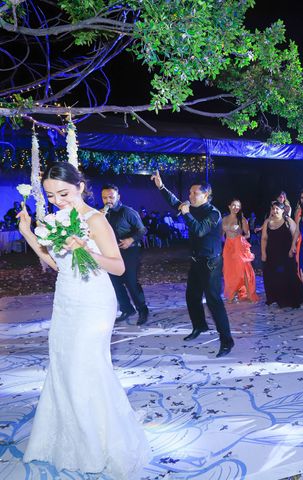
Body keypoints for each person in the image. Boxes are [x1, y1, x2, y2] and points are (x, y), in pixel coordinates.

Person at [18, 162, 150, 478]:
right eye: (51, 195)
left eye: (63, 193)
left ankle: (97, 443)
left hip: (93, 302)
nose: (58, 200)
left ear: (80, 186)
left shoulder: (96, 219)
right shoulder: (56, 219)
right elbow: (54, 263)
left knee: (85, 366)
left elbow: (118, 267)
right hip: (66, 299)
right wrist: (27, 232)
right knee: (63, 365)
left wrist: (83, 249)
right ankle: (70, 439)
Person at [151, 171, 234, 356]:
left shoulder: (214, 213)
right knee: (192, 296)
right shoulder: (191, 207)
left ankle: (227, 340)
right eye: (189, 193)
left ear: (206, 195)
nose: (190, 196)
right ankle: (200, 326)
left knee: (214, 301)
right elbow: (175, 202)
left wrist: (187, 213)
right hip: (196, 261)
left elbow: (199, 230)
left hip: (211, 263)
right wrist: (161, 187)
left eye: (194, 193)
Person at [101, 184, 150, 325]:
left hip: (130, 250)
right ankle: (127, 309)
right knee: (115, 282)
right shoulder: (102, 214)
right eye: (105, 197)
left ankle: (142, 310)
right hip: (112, 252)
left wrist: (131, 239)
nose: (108, 200)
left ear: (118, 197)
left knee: (131, 281)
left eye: (111, 197)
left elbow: (142, 230)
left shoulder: (128, 212)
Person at [261, 201, 303, 308]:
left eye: (277, 209)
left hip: (286, 254)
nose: (274, 211)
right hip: (271, 254)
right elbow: (264, 238)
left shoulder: (287, 221)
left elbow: (296, 236)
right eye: (273, 208)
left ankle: (287, 299)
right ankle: (274, 298)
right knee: (272, 276)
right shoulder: (267, 222)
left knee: (286, 276)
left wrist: (292, 249)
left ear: (282, 210)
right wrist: (263, 253)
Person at [222, 199, 258, 303]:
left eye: (238, 206)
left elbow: (248, 235)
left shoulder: (242, 220)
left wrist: (240, 234)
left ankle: (250, 294)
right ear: (229, 206)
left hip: (239, 245)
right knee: (230, 270)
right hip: (228, 246)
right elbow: (221, 235)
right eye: (233, 205)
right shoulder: (224, 219)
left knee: (243, 270)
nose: (236, 208)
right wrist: (224, 243)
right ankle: (232, 295)